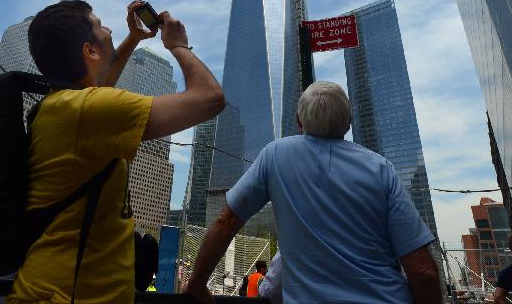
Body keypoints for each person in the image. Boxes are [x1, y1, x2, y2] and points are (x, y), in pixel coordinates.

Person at [7, 0, 225, 303]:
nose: (108, 28)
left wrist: (134, 38)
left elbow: (102, 85)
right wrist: (180, 47)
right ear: (90, 50)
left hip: (53, 289)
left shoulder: (65, 106)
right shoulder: (87, 110)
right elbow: (210, 98)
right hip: (67, 296)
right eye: (99, 25)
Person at [182, 81, 441, 303]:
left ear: (299, 121)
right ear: (349, 122)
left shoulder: (276, 155)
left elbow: (226, 221)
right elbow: (423, 271)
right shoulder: (381, 168)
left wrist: (196, 282)